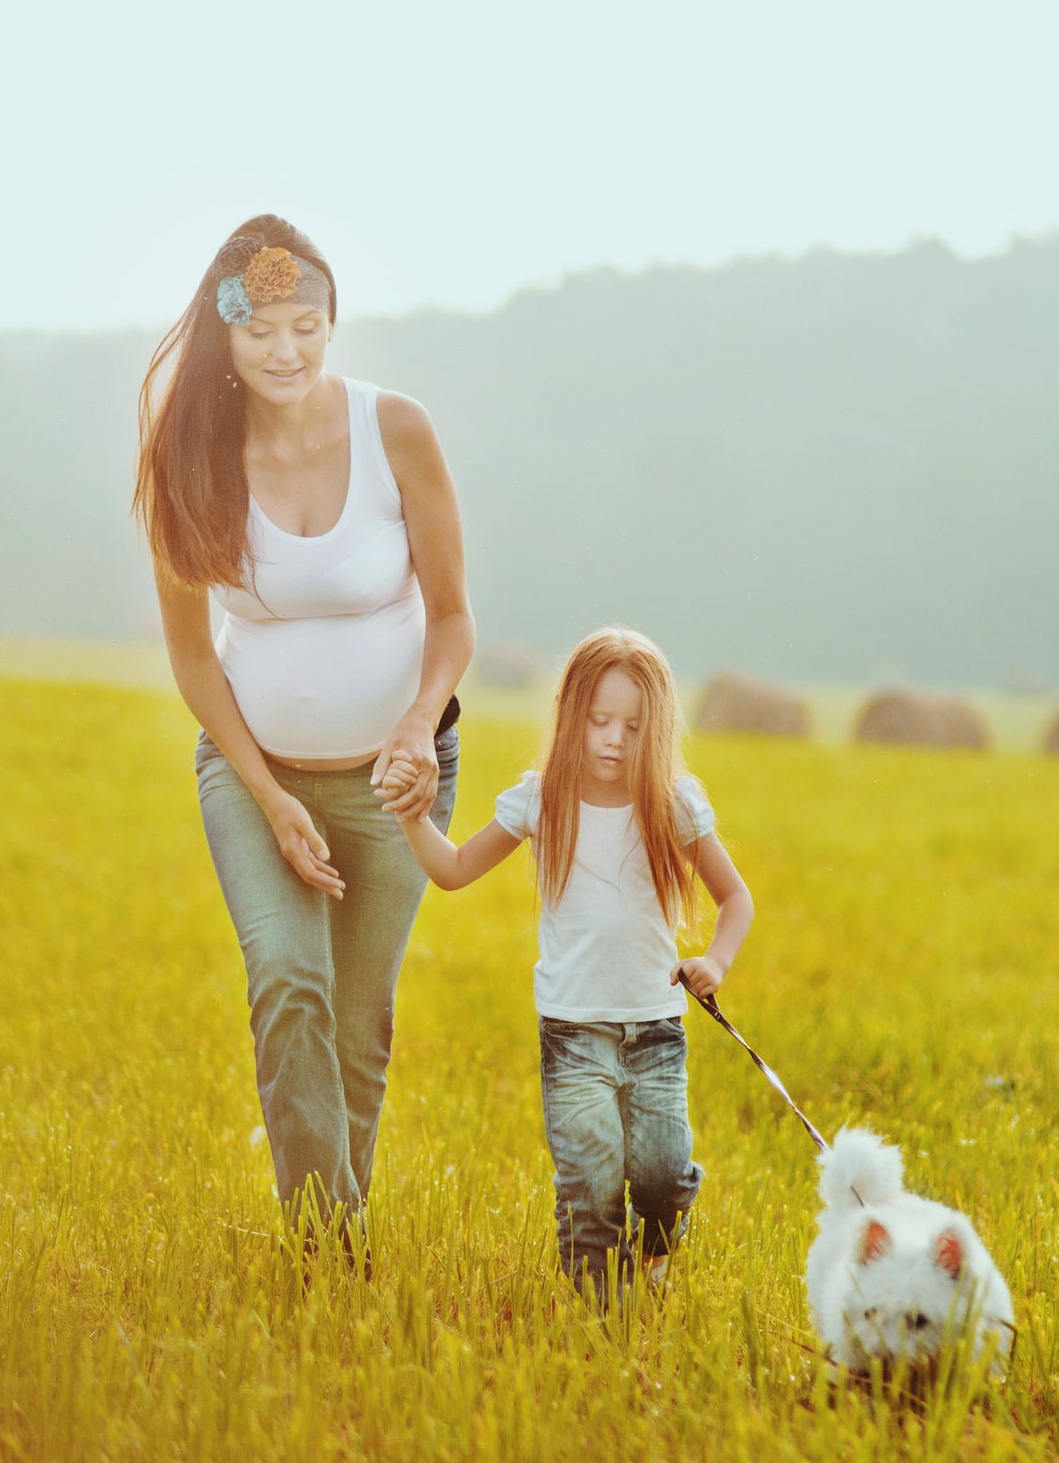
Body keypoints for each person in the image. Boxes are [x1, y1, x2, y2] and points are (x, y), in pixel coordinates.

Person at [133, 216, 475, 1246]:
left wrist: (417, 727)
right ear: (222, 339)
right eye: (261, 331)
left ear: (332, 324)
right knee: (289, 983)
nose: (285, 351)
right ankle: (330, 1258)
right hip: (254, 777)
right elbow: (195, 659)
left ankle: (329, 1241)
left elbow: (453, 617)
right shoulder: (189, 458)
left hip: (396, 781)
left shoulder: (397, 431)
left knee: (358, 1029)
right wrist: (271, 796)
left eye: (306, 325)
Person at [395, 628, 755, 1299]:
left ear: (657, 727)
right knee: (588, 1186)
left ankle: (657, 1245)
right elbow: (452, 869)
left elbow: (735, 898)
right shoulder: (541, 798)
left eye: (633, 724)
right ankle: (599, 1320)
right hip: (573, 1034)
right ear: (573, 718)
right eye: (600, 721)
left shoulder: (673, 803)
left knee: (661, 1174)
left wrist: (716, 959)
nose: (615, 739)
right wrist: (414, 817)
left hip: (655, 1031)